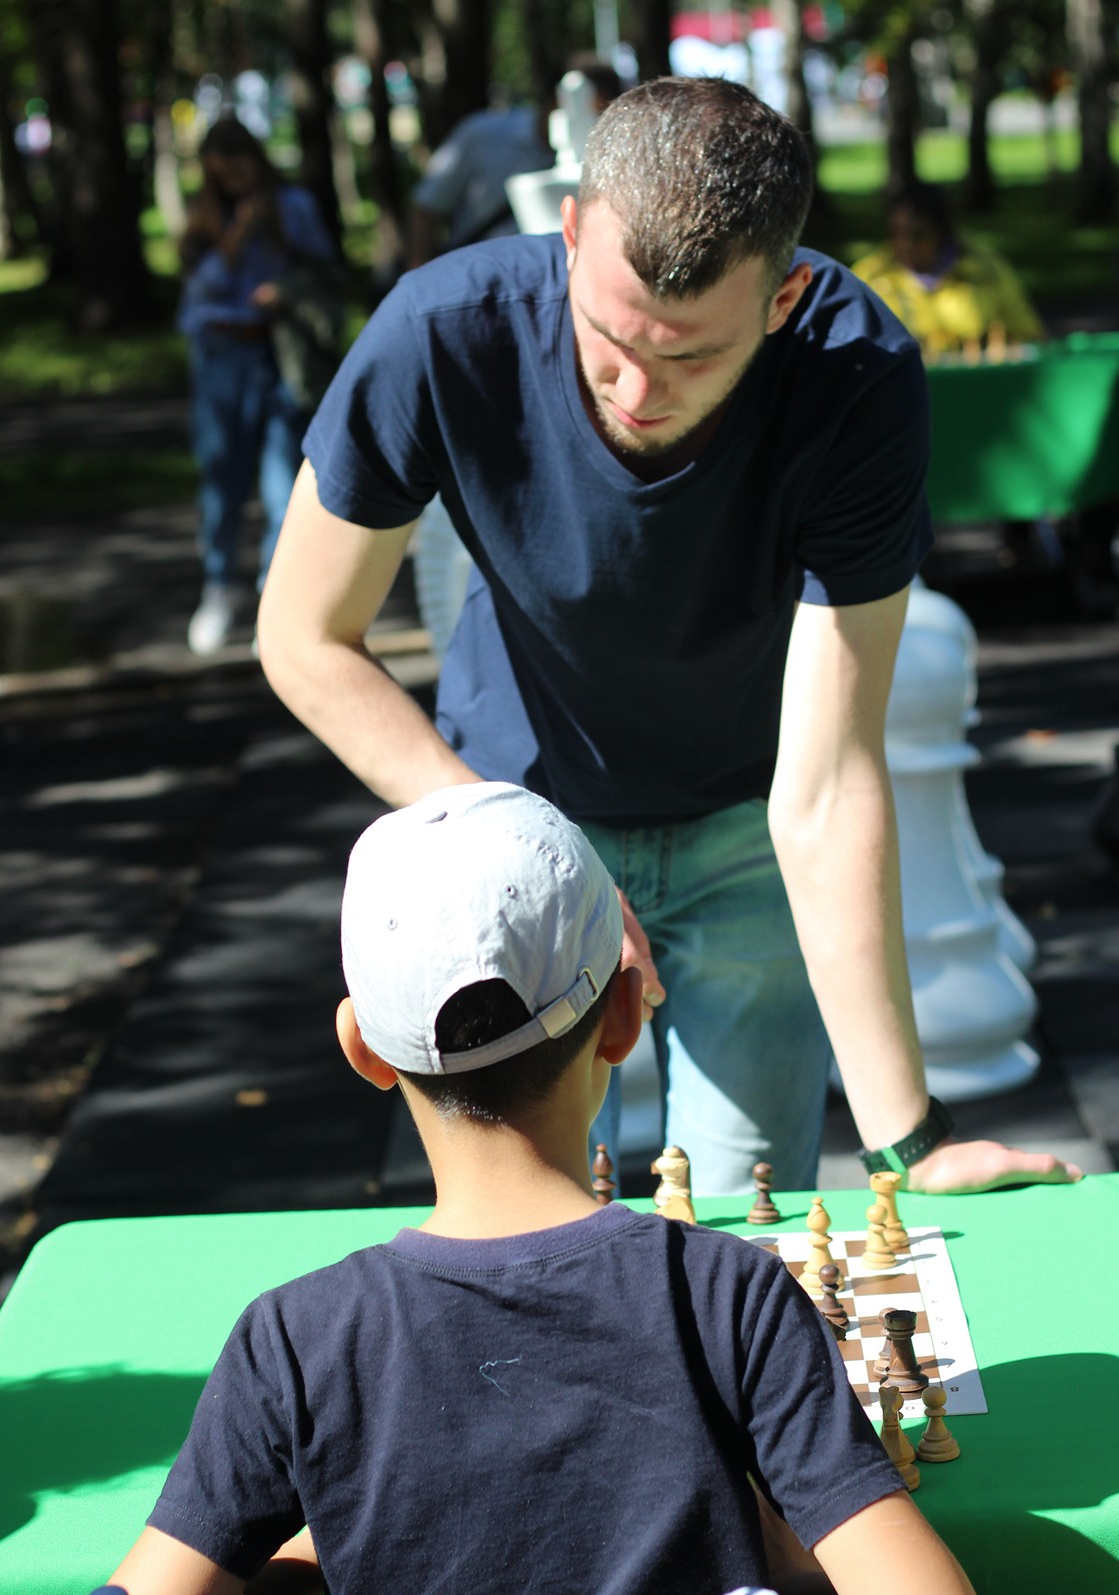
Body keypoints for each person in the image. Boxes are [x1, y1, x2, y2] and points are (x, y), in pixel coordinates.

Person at [256, 76, 1080, 1199]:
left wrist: (908, 1140)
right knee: (531, 1224)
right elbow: (303, 636)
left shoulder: (855, 373)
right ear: (570, 233)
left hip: (748, 824)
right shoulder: (440, 332)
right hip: (513, 812)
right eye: (609, 338)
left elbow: (829, 781)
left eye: (692, 357)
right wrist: (524, 842)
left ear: (783, 298)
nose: (638, 390)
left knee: (738, 1225)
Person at [75, 783, 987, 1595]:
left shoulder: (294, 1341)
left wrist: (313, 1557)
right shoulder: (725, 1294)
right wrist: (782, 1578)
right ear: (624, 1016)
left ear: (362, 1049)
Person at [178, 116, 341, 657]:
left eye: (239, 172)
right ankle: (219, 585)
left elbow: (326, 272)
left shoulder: (293, 207)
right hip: (221, 356)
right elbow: (202, 289)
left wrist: (286, 289)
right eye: (221, 177)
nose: (233, 185)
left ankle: (274, 598)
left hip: (279, 353)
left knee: (282, 485)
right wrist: (239, 234)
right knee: (221, 481)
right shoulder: (205, 214)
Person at [405, 57, 624, 268]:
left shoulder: (609, 161)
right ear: (555, 99)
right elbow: (426, 207)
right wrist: (420, 272)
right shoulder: (482, 135)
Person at [852, 179, 1044, 360]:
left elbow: (1028, 334)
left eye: (918, 234)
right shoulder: (869, 276)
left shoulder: (987, 270)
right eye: (895, 233)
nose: (906, 243)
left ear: (942, 231)